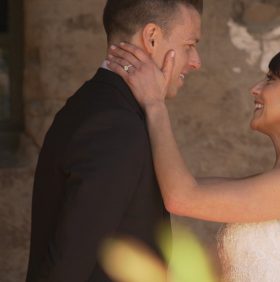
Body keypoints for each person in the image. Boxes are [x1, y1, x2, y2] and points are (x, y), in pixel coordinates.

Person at [106, 44, 280, 281]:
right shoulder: (276, 182)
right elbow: (174, 185)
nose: (254, 88)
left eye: (270, 79)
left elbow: (182, 197)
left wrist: (154, 103)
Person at [26, 0, 203, 281]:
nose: (196, 61)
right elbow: (68, 262)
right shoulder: (114, 123)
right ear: (152, 38)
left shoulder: (96, 105)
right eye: (189, 45)